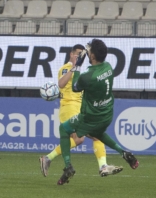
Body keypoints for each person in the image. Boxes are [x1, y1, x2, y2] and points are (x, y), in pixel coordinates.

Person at [56, 39, 139, 185]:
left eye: (89, 51)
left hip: (90, 116)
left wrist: (77, 66)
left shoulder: (88, 75)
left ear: (92, 56)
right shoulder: (108, 67)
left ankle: (68, 166)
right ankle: (124, 153)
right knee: (97, 134)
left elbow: (75, 87)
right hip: (106, 113)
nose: (87, 52)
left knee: (63, 128)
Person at [39, 44, 123, 178]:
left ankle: (48, 158)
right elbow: (61, 84)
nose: (80, 57)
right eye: (77, 54)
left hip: (79, 107)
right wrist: (74, 67)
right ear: (71, 55)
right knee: (90, 136)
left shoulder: (85, 73)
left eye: (82, 55)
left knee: (85, 138)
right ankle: (103, 166)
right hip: (69, 107)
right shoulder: (66, 68)